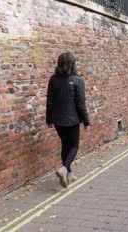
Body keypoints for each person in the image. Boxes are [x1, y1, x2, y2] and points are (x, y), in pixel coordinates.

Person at [46, 52, 90, 188]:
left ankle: (68, 174)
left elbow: (50, 101)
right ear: (73, 64)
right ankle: (64, 168)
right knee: (74, 146)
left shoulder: (53, 79)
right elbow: (81, 104)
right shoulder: (77, 80)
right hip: (72, 120)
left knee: (65, 145)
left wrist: (49, 119)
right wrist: (86, 121)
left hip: (58, 120)